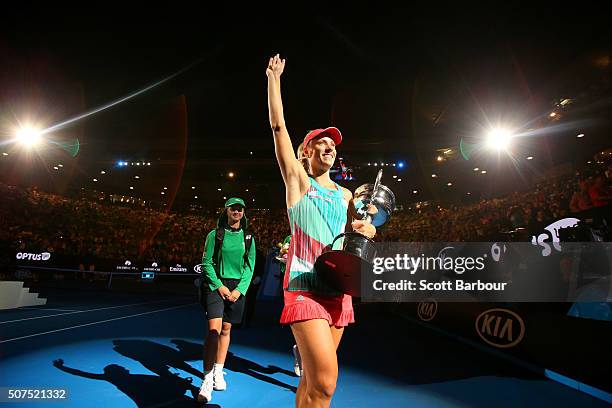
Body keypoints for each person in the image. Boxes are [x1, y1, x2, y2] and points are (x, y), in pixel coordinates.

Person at [266, 54, 375, 407]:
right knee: (327, 384)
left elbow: (352, 238)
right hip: (304, 286)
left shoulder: (346, 195)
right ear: (306, 151)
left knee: (312, 384)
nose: (329, 147)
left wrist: (366, 229)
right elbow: (278, 128)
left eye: (333, 145)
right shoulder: (297, 181)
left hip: (338, 290)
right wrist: (274, 79)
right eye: (322, 142)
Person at [197, 197, 256, 403]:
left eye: (240, 209)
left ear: (243, 212)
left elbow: (250, 266)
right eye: (233, 208)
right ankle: (206, 379)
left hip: (237, 288)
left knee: (226, 330)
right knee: (213, 331)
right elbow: (206, 263)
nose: (237, 212)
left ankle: (218, 371)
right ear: (227, 211)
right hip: (216, 285)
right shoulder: (215, 234)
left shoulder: (248, 237)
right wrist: (220, 286)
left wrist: (239, 290)